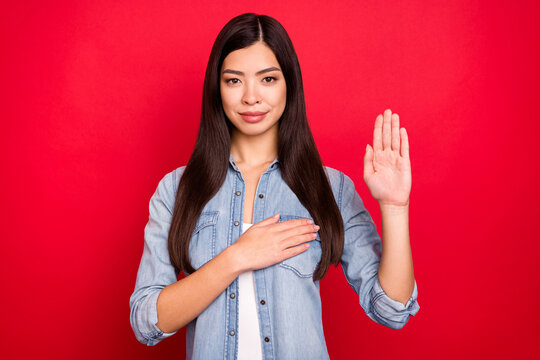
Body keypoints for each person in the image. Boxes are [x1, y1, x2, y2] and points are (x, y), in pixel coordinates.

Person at [129, 12, 420, 359]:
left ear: (289, 85)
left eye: (267, 79)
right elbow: (146, 321)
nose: (251, 97)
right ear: (217, 89)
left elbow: (392, 309)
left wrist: (394, 207)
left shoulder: (331, 188)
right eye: (234, 81)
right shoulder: (175, 190)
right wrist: (237, 257)